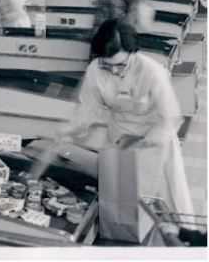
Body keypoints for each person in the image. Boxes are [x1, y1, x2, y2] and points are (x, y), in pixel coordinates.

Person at [57, 19, 193, 217]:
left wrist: (142, 142)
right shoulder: (95, 69)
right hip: (119, 139)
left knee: (165, 206)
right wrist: (72, 129)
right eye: (107, 64)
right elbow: (87, 108)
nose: (113, 70)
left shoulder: (152, 72)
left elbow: (170, 119)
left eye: (120, 65)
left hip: (155, 144)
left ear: (133, 53)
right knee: (123, 204)